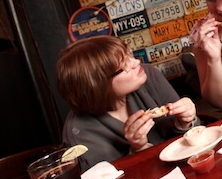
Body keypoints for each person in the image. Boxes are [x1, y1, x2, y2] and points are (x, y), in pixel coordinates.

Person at [57, 35, 198, 170]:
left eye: (129, 55)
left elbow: (195, 144)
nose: (136, 62)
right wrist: (137, 150)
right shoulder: (79, 133)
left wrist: (184, 123)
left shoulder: (149, 76)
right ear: (98, 86)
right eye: (124, 66)